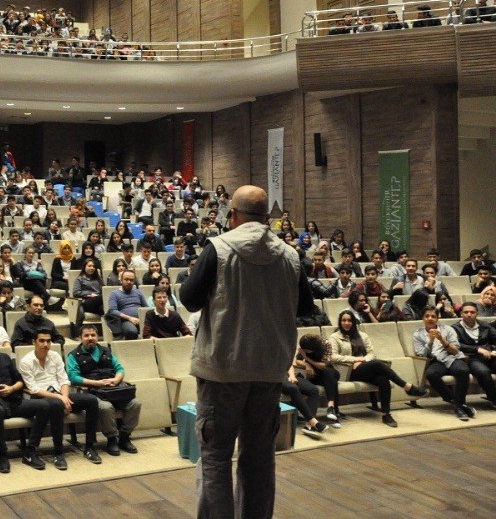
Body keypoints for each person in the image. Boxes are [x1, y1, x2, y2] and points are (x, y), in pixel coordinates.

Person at [178, 185, 314, 519]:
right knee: (259, 459)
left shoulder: (218, 248)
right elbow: (306, 307)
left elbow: (190, 299)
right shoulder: (291, 255)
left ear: (233, 215)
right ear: (267, 218)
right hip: (269, 373)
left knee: (215, 458)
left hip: (223, 371)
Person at [0, 330, 55, 473]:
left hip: (13, 400)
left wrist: (12, 388)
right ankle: (2, 456)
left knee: (44, 405)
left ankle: (30, 451)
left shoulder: (5, 358)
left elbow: (21, 381)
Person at [18, 326, 101, 465]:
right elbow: (33, 389)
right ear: (34, 342)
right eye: (41, 341)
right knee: (56, 405)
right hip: (41, 399)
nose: (45, 344)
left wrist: (65, 397)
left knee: (91, 400)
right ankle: (58, 452)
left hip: (60, 395)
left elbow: (64, 380)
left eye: (48, 341)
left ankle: (90, 447)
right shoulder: (26, 361)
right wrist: (61, 399)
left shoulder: (55, 356)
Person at [328, 310, 425, 427]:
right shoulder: (335, 337)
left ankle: (386, 414)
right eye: (344, 320)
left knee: (383, 379)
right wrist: (354, 359)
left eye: (349, 320)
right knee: (378, 365)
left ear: (354, 322)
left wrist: (363, 360)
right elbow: (333, 357)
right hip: (347, 371)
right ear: (340, 322)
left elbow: (371, 353)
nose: (347, 323)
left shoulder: (363, 335)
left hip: (364, 367)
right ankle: (406, 386)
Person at [66, 325, 141, 455]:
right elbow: (73, 378)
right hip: (92, 391)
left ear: (97, 337)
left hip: (114, 389)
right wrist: (96, 383)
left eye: (93, 335)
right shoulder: (74, 355)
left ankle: (124, 437)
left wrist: (116, 380)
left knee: (135, 404)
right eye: (86, 336)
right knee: (106, 407)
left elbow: (119, 369)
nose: (90, 338)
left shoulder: (106, 351)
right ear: (80, 338)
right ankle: (112, 439)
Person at [413, 306, 474, 421]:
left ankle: (459, 405)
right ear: (422, 318)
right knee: (431, 374)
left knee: (463, 370)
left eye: (433, 316)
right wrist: (430, 341)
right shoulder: (418, 334)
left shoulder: (448, 330)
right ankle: (458, 405)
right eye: (427, 316)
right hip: (436, 361)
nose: (430, 318)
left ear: (438, 318)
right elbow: (421, 355)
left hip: (452, 358)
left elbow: (455, 350)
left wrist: (441, 339)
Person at [450, 302, 496, 406]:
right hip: (470, 358)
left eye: (472, 312)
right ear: (461, 314)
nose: (469, 314)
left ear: (477, 313)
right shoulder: (455, 328)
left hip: (489, 356)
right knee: (483, 372)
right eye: (466, 312)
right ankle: (494, 398)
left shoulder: (485, 326)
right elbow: (456, 345)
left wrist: (493, 349)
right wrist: (477, 349)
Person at [106, 270, 148, 340]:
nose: (129, 282)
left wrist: (143, 319)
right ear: (121, 280)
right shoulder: (115, 294)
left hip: (142, 320)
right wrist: (130, 318)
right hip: (126, 321)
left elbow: (146, 308)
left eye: (131, 280)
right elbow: (112, 311)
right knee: (131, 331)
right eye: (126, 279)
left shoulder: (138, 292)